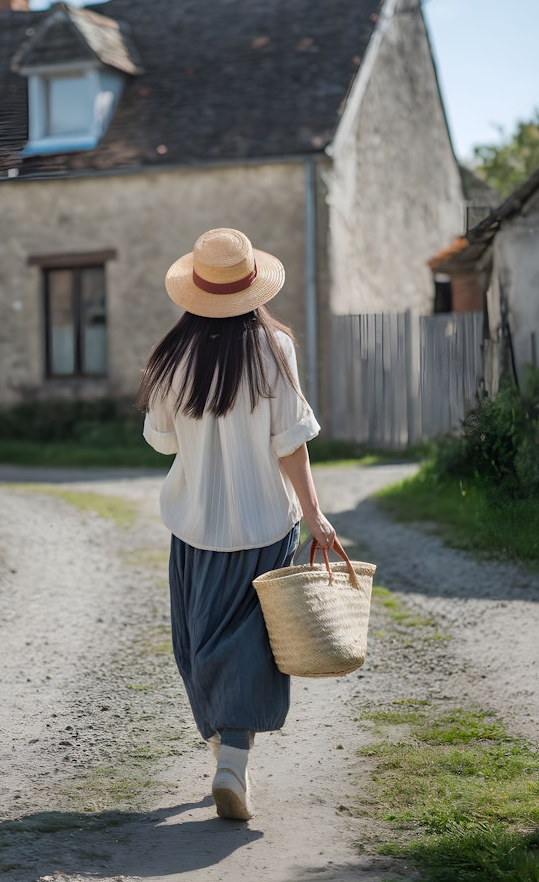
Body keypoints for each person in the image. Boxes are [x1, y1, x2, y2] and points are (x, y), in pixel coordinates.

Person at [137, 227, 338, 821]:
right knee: (251, 644)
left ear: (196, 291)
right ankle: (235, 765)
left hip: (197, 527)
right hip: (266, 524)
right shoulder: (275, 348)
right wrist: (317, 512)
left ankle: (227, 756)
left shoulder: (173, 356)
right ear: (252, 285)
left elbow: (161, 441)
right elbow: (291, 445)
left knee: (202, 644)